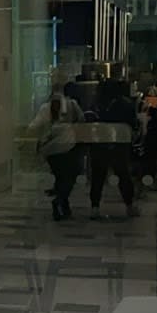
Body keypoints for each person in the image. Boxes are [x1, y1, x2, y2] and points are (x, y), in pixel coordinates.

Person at [31, 89, 84, 221]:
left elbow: (34, 126)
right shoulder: (72, 104)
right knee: (70, 177)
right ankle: (60, 201)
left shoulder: (45, 108)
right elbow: (82, 120)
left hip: (50, 150)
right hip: (68, 147)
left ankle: (64, 207)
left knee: (61, 178)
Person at [89, 79, 139, 219]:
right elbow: (133, 124)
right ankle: (129, 206)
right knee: (123, 175)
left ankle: (95, 207)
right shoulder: (125, 104)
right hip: (119, 145)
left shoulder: (96, 105)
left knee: (97, 176)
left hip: (99, 144)